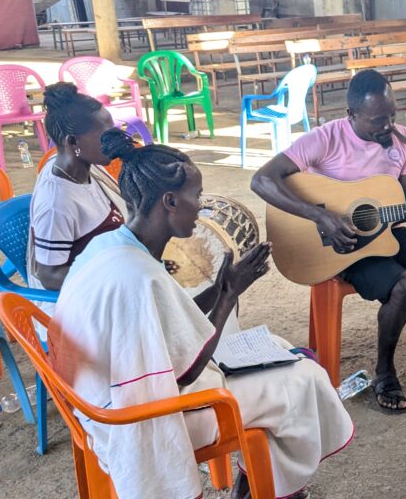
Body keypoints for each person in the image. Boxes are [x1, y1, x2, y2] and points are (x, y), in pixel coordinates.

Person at [49, 130, 353, 499]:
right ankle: (268, 488)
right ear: (170, 201)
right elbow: (188, 370)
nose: (202, 207)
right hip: (140, 421)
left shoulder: (110, 245)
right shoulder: (140, 276)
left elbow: (167, 324)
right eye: (197, 196)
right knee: (305, 377)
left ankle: (262, 481)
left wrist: (225, 286)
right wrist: (227, 296)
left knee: (279, 351)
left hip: (97, 401)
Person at [251, 68, 406, 413]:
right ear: (351, 114)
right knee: (402, 285)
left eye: (392, 116)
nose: (388, 126)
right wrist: (320, 216)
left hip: (388, 232)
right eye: (377, 120)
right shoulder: (325, 138)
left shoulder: (402, 140)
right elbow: (262, 180)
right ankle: (385, 372)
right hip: (342, 247)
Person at [28, 83, 124, 298]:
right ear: (72, 142)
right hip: (84, 300)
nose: (116, 140)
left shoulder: (86, 168)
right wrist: (118, 277)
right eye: (106, 136)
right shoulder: (57, 203)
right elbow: (50, 276)